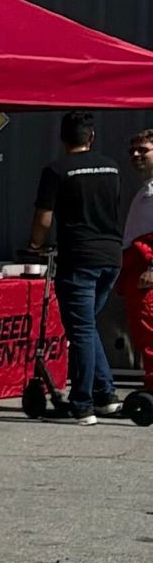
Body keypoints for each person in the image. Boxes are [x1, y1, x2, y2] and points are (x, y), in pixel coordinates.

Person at [26, 112, 129, 421]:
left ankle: (82, 403)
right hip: (111, 256)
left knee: (81, 330)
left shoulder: (57, 170)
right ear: (91, 136)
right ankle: (105, 394)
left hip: (79, 258)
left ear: (63, 138)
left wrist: (35, 244)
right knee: (88, 326)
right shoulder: (111, 168)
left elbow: (44, 217)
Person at [119, 126, 153, 400]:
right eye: (133, 151)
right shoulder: (145, 191)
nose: (136, 155)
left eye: (144, 150)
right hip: (136, 270)